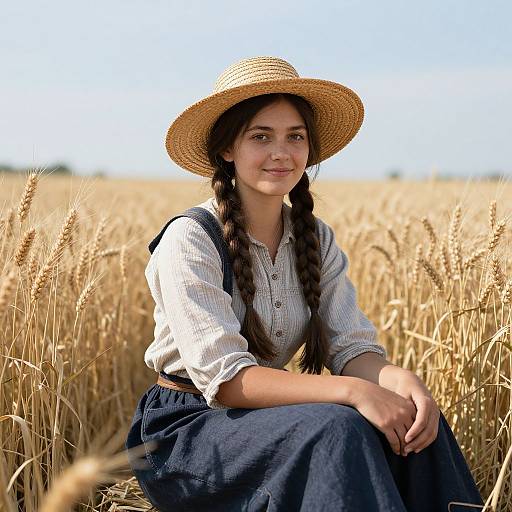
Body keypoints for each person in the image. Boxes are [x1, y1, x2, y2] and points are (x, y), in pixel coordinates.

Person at [125, 56, 484, 511]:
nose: (282, 152)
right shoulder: (191, 238)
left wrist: (398, 380)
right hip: (186, 435)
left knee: (410, 413)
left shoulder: (314, 237)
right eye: (261, 136)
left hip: (261, 419)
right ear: (227, 149)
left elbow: (351, 350)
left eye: (295, 136)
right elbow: (227, 382)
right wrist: (354, 392)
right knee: (340, 425)